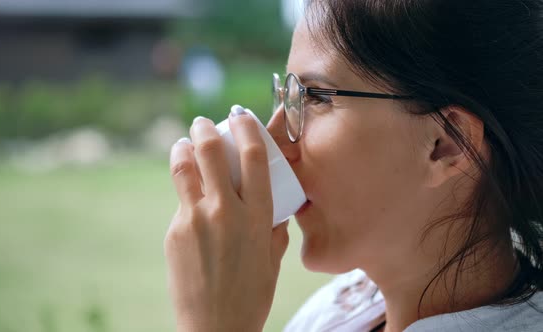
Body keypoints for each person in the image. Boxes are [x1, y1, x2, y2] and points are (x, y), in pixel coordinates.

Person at [164, 0, 543, 331]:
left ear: (446, 144)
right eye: (287, 94)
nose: (275, 139)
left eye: (314, 98)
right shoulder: (339, 308)